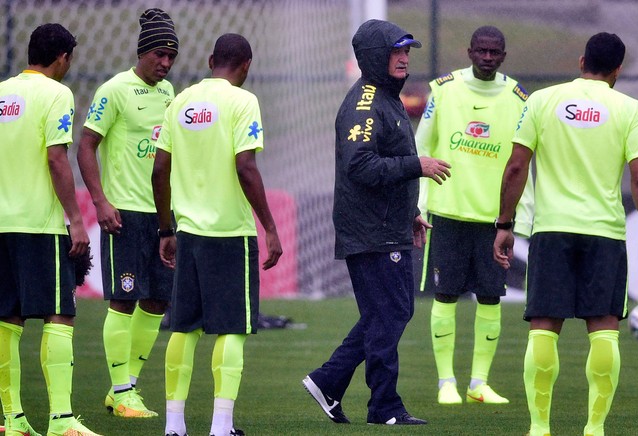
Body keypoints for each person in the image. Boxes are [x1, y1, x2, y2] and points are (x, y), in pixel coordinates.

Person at [493, 32, 638, 436]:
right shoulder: (630, 109)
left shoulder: (541, 101)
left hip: (552, 230)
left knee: (543, 326)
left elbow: (516, 168)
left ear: (581, 60)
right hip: (603, 233)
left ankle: (539, 428)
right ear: (618, 69)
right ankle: (594, 429)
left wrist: (504, 225)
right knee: (604, 328)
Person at [302, 19, 451, 426]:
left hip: (386, 224)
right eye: (396, 51)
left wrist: (410, 213)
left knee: (386, 313)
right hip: (371, 231)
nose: (404, 58)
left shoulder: (386, 98)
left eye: (407, 51)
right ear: (373, 56)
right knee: (391, 313)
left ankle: (329, 381)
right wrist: (417, 165)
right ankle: (383, 406)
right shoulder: (365, 104)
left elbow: (380, 168)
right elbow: (361, 165)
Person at [152, 33, 283, 436]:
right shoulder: (243, 101)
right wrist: (271, 228)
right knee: (232, 329)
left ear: (211, 60)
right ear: (246, 66)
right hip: (229, 234)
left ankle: (174, 426)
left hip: (188, 233)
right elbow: (246, 167)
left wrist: (165, 229)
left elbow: (159, 170)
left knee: (184, 328)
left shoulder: (180, 101)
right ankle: (220, 427)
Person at [415, 25, 534, 406]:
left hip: (493, 218)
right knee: (446, 295)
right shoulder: (444, 89)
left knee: (490, 298)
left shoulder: (519, 98)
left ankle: (478, 383)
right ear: (469, 51)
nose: (487, 57)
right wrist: (416, 204)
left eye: (494, 52)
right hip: (448, 211)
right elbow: (421, 146)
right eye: (481, 50)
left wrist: (518, 217)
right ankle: (446, 381)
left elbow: (524, 161)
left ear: (503, 55)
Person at [0, 23, 102, 436]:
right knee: (60, 314)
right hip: (39, 224)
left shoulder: (3, 92)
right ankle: (61, 420)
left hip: (2, 222)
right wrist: (76, 220)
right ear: (62, 57)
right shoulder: (56, 93)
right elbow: (57, 158)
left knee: (6, 319)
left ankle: (12, 418)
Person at [77, 7, 179, 418]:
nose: (166, 63)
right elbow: (85, 145)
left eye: (172, 56)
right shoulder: (114, 90)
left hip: (161, 217)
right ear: (143, 52)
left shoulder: (169, 93)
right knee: (123, 300)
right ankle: (121, 392)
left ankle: (127, 388)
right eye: (159, 54)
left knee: (156, 303)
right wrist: (100, 201)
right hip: (124, 215)